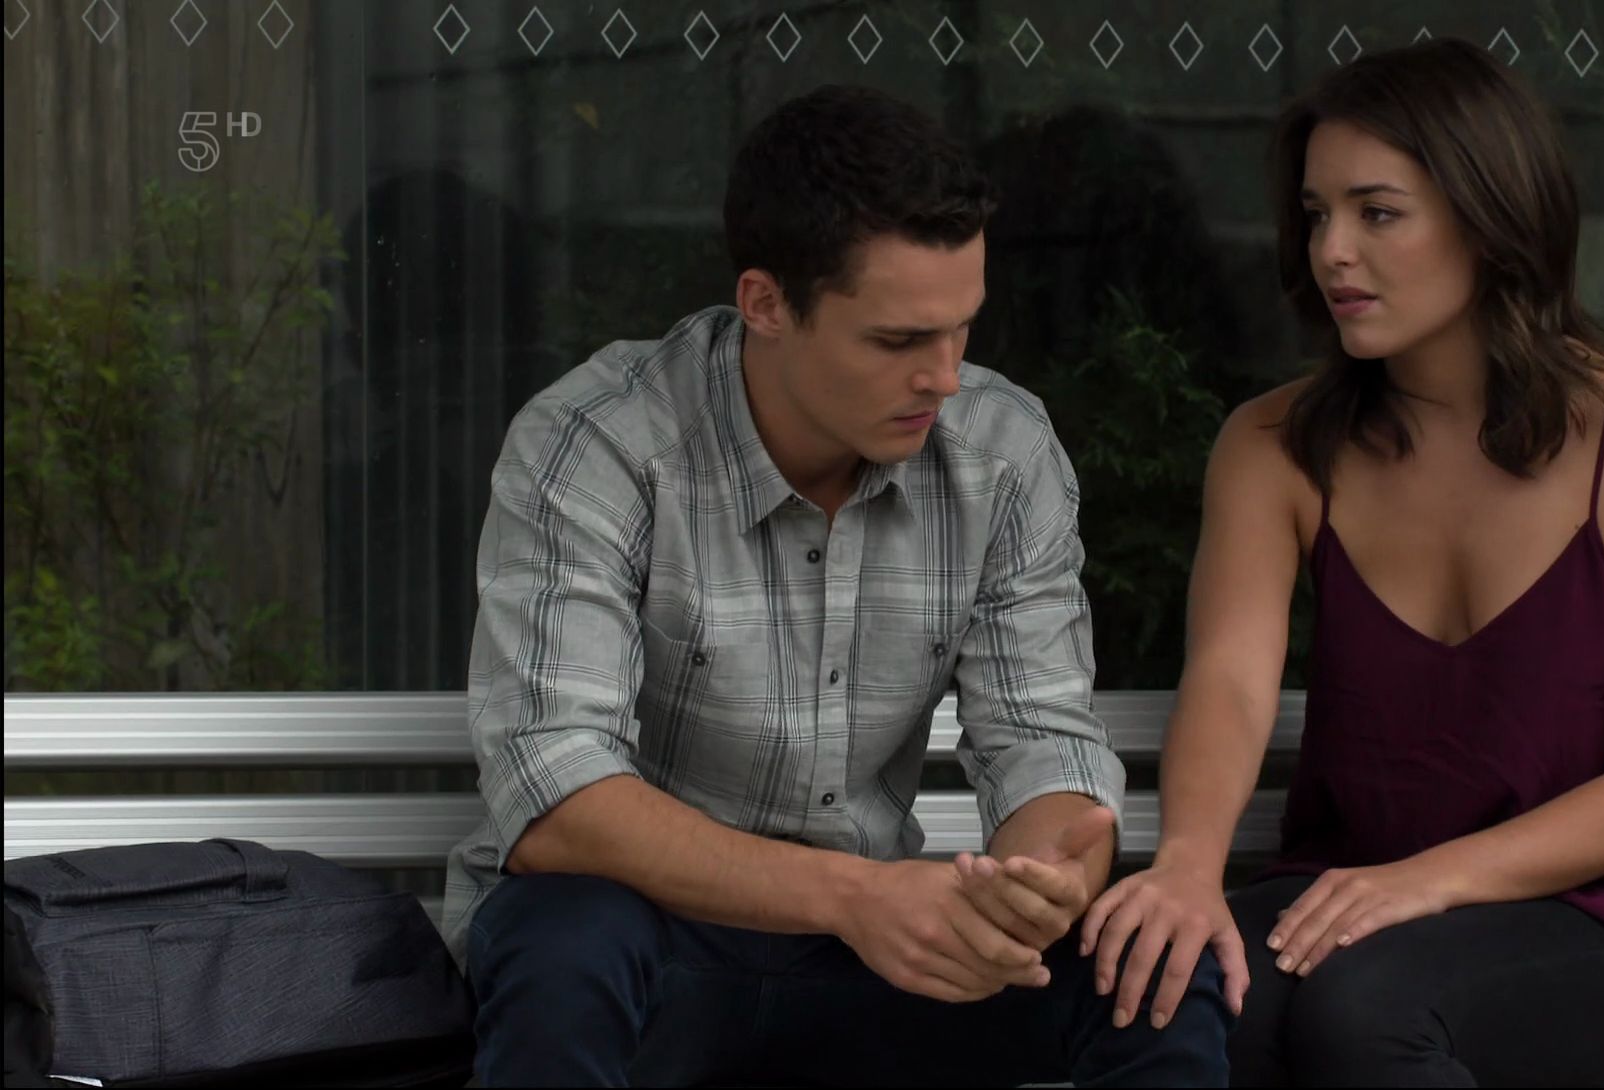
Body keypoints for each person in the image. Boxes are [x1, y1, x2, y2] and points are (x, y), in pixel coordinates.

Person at [438, 84, 1232, 1088]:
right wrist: (856, 896)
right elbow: (557, 796)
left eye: (963, 329)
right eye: (899, 341)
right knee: (566, 940)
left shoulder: (1002, 452)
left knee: (1153, 968)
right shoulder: (599, 441)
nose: (945, 377)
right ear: (766, 303)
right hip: (658, 947)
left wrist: (1043, 881)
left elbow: (1043, 741)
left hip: (877, 959)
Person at [1079, 39, 1604, 1087]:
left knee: (1370, 1010)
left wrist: (1427, 882)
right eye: (1315, 214)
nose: (1332, 250)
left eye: (1377, 213)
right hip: (1356, 903)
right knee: (1171, 996)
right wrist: (1189, 869)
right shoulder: (1274, 444)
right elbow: (1232, 681)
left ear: (1492, 218)